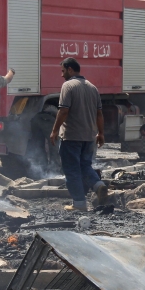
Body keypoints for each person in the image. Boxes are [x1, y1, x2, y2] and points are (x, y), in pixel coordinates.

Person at [49, 57, 108, 212]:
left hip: (71, 136)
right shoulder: (92, 87)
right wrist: (101, 133)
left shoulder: (68, 86)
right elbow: (99, 114)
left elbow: (63, 110)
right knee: (85, 165)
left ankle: (79, 204)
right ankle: (99, 185)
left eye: (63, 71)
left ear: (70, 69)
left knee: (71, 169)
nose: (61, 75)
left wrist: (55, 130)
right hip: (89, 137)